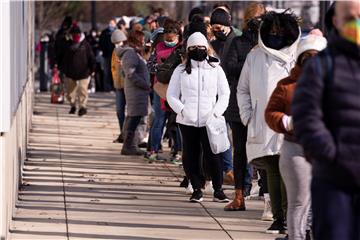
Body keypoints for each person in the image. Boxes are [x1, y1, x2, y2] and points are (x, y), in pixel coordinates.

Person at [292, 1, 360, 240]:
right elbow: (306, 117)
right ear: (336, 21)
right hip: (334, 179)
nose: (356, 23)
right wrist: (332, 155)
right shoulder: (321, 66)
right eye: (350, 17)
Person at [237, 10, 301, 234]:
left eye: (279, 31)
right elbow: (242, 89)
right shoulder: (255, 56)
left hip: (290, 123)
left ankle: (290, 220)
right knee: (272, 171)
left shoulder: (299, 55)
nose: (275, 35)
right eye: (271, 31)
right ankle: (279, 218)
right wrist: (248, 116)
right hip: (263, 122)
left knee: (288, 173)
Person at [265, 33, 327, 240]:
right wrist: (287, 122)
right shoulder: (287, 85)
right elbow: (271, 113)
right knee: (299, 201)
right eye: (306, 57)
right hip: (296, 149)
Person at [167, 32, 230, 203]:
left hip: (210, 119)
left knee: (213, 155)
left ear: (207, 48)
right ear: (188, 50)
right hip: (187, 120)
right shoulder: (181, 70)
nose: (197, 50)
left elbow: (225, 93)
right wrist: (182, 110)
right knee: (191, 155)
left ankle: (218, 189)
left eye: (201, 47)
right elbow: (171, 95)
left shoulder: (216, 69)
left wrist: (217, 112)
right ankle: (196, 188)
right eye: (193, 48)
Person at [223, 2, 266, 212]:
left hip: (262, 104)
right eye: (255, 20)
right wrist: (251, 62)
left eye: (262, 19)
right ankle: (239, 195)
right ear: (247, 21)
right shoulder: (238, 42)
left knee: (266, 152)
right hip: (238, 105)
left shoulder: (270, 43)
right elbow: (228, 67)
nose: (258, 24)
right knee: (240, 152)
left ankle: (269, 199)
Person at [148, 19, 182, 162]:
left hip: (177, 89)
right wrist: (163, 70)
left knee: (177, 121)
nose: (169, 39)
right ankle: (153, 150)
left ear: (178, 36)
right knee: (159, 119)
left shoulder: (182, 48)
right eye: (167, 36)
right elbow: (150, 65)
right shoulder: (158, 47)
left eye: (172, 36)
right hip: (160, 87)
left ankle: (178, 151)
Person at [210, 7, 237, 186]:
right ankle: (227, 169)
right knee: (221, 133)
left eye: (219, 27)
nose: (217, 31)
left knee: (235, 137)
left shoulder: (237, 42)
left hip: (234, 94)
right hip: (217, 95)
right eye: (214, 27)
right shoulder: (213, 43)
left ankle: (232, 171)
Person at [116, 30, 151, 156]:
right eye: (142, 39)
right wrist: (145, 84)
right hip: (136, 91)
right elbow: (130, 74)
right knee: (134, 118)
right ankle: (128, 145)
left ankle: (131, 144)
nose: (144, 41)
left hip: (138, 91)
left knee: (134, 117)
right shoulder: (130, 53)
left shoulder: (134, 52)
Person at [62, 25, 96, 116]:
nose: (75, 36)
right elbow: (63, 58)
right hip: (70, 72)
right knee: (70, 93)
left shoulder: (85, 44)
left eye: (76, 34)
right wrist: (63, 69)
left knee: (82, 90)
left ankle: (82, 107)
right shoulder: (67, 44)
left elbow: (91, 57)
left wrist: (92, 69)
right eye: (73, 35)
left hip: (84, 72)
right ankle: (73, 105)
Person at [111, 29, 127, 143]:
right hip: (118, 85)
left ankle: (129, 134)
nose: (117, 44)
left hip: (128, 85)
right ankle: (123, 132)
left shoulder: (128, 51)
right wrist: (115, 79)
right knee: (119, 110)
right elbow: (113, 67)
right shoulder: (114, 52)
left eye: (119, 42)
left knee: (131, 112)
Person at [99, 19, 117, 92]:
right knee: (107, 72)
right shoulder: (104, 32)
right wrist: (104, 50)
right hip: (106, 55)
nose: (111, 24)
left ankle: (115, 86)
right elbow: (100, 43)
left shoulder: (117, 32)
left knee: (115, 71)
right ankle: (107, 88)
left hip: (115, 55)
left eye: (112, 23)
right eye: (110, 23)